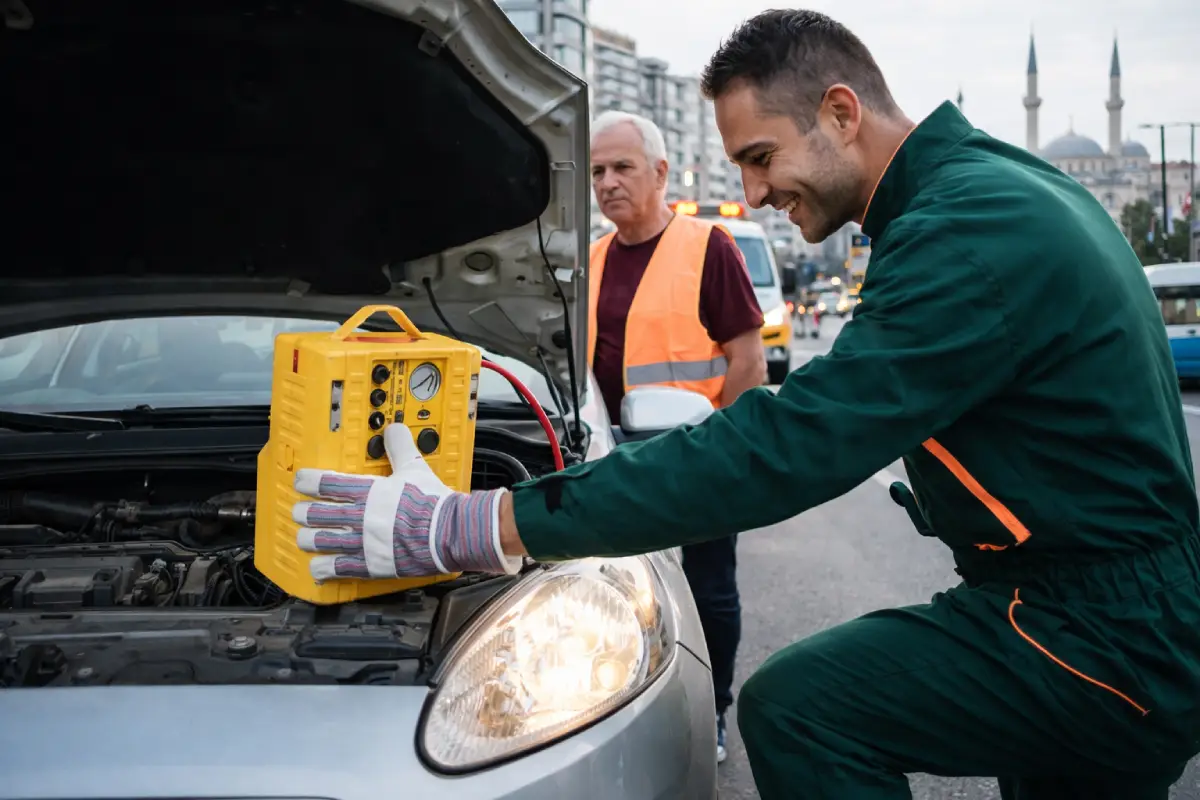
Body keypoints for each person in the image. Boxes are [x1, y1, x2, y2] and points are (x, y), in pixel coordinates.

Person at [290, 9, 1200, 799]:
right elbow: (847, 399)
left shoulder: (963, 233)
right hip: (1107, 611)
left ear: (840, 112)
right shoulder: (996, 192)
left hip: (1092, 631)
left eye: (760, 158)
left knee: (805, 708)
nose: (753, 193)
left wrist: (481, 523)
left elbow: (792, 443)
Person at [587, 109, 767, 763]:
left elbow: (747, 359)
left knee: (709, 588)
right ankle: (615, 720)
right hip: (614, 460)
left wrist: (735, 450)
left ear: (661, 172)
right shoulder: (592, 258)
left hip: (699, 458)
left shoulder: (707, 247)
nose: (607, 182)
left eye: (622, 168)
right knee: (612, 593)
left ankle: (713, 710)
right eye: (598, 171)